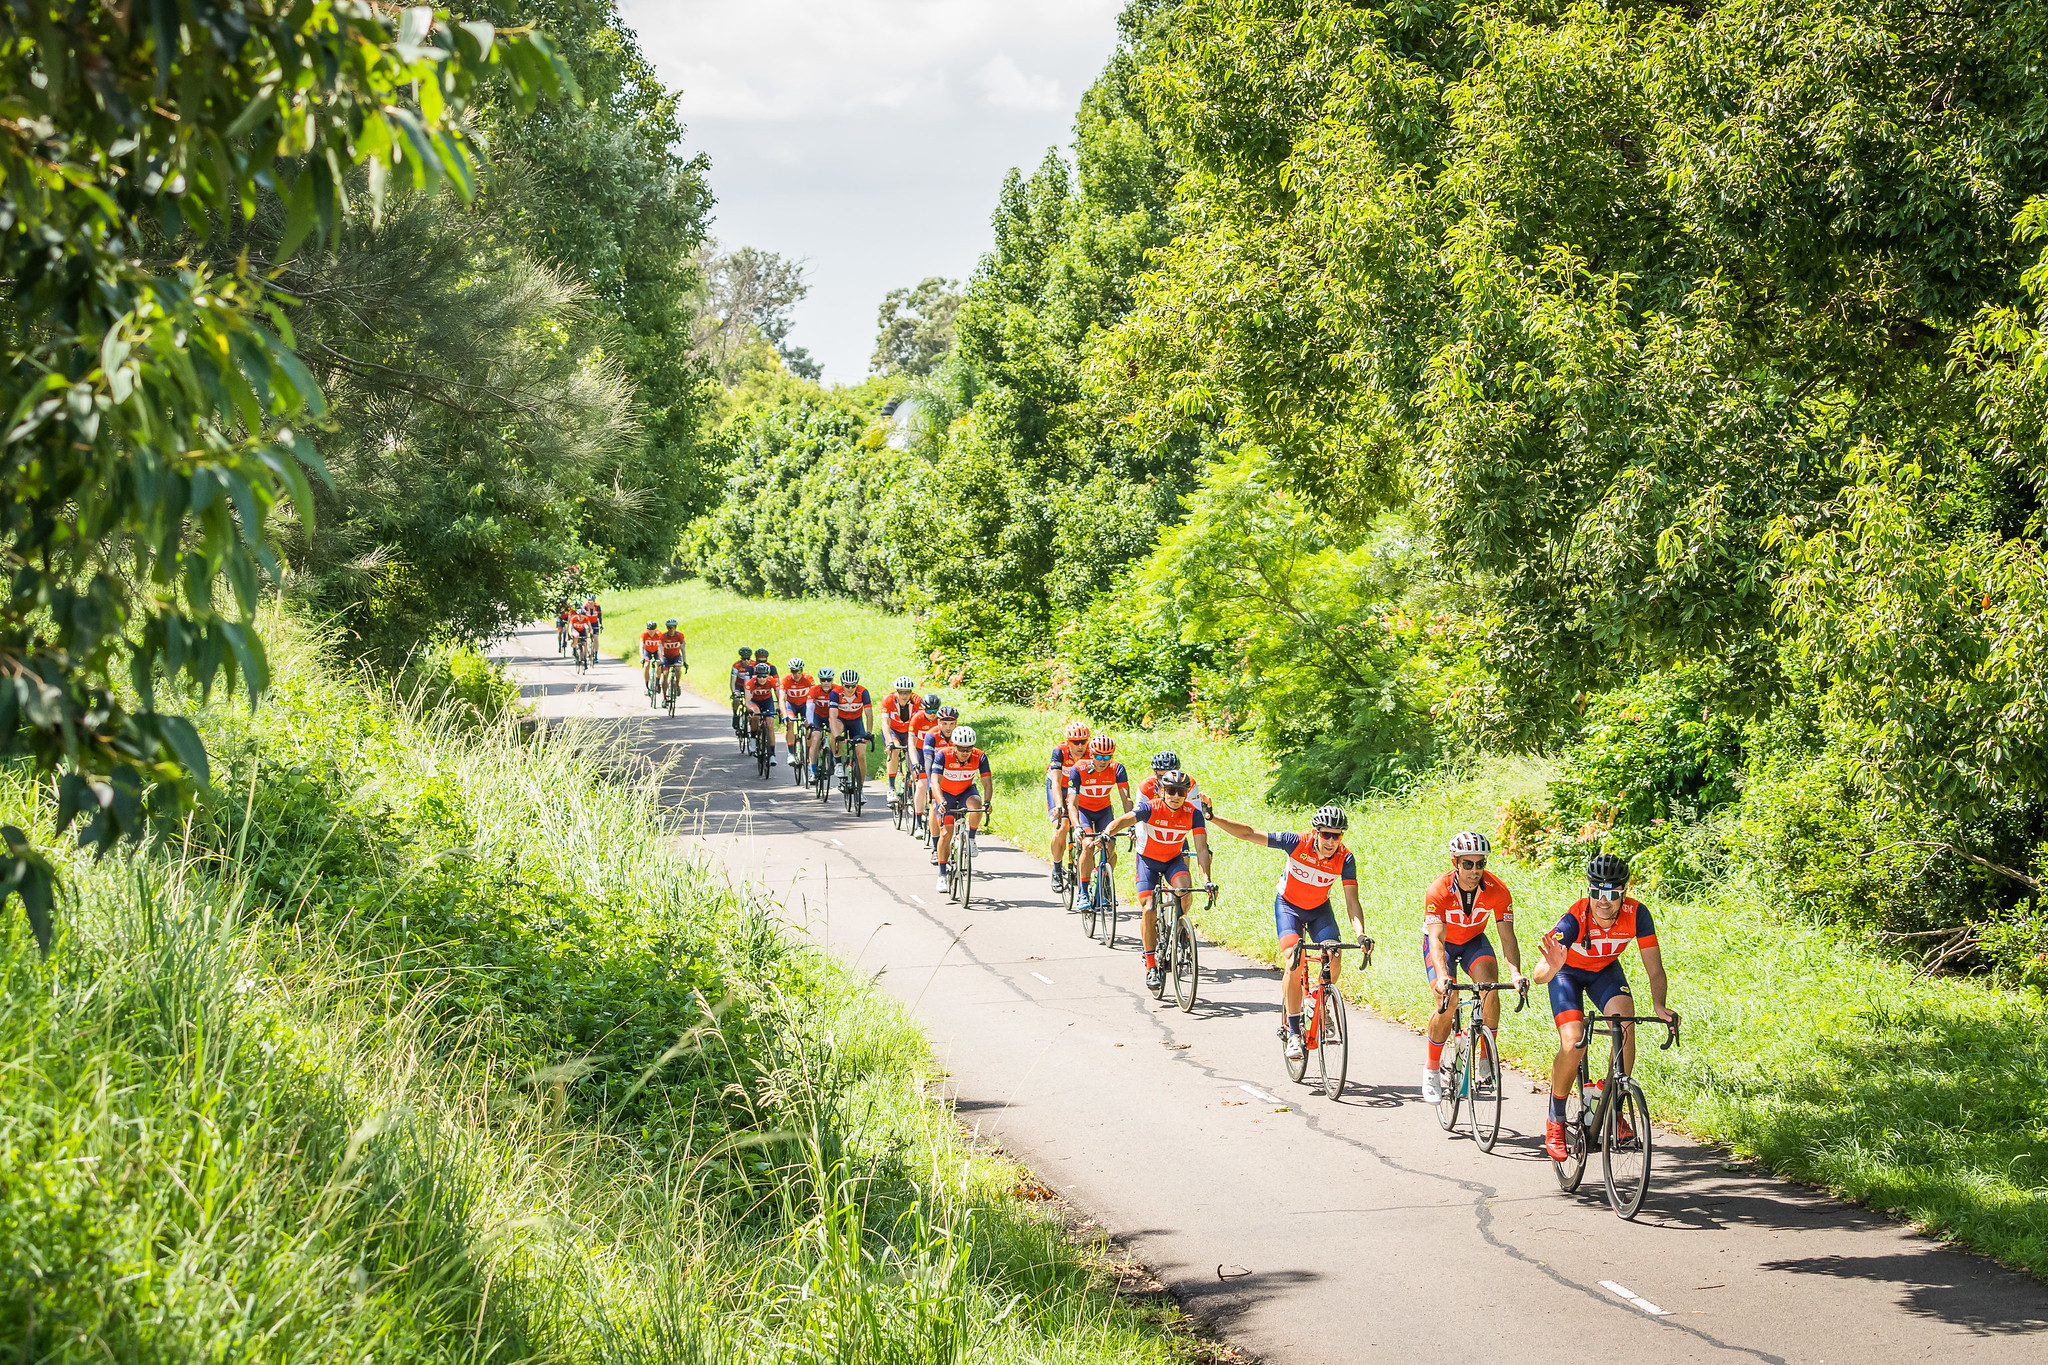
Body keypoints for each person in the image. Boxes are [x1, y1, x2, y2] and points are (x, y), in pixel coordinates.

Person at [1531, 853, 1677, 1162]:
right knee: (1574, 1043)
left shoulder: (1637, 915)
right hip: (1566, 975)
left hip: (1605, 972)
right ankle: (1556, 1119)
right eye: (1597, 891)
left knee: (1625, 1025)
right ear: (1589, 890)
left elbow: (1655, 969)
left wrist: (1660, 1005)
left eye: (1611, 893)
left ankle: (1612, 1106)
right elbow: (1539, 975)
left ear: (1624, 892)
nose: (1603, 900)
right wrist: (1553, 965)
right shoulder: (1574, 920)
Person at [1208, 804, 1370, 1061]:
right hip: (1289, 908)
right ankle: (1294, 1032)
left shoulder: (1345, 859)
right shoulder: (1296, 843)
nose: (1330, 841)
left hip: (1319, 910)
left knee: (1335, 955)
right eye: (1326, 834)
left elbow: (1352, 902)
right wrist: (1212, 818)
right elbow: (1250, 833)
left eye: (1336, 835)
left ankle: (1318, 1001)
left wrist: (1361, 934)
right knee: (1294, 962)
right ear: (1315, 832)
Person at [1421, 831, 1527, 1104]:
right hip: (1443, 944)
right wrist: (1443, 976)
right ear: (1455, 862)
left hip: (1473, 942)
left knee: (1490, 988)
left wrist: (1515, 973)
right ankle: (1432, 1069)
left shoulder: (1498, 890)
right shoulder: (1439, 890)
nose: (1475, 870)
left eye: (1481, 864)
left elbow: (1507, 937)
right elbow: (1436, 938)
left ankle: (1486, 1058)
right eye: (1468, 864)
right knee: (1449, 998)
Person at [1097, 770, 1214, 993]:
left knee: (1184, 890)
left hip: (1173, 861)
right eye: (1170, 791)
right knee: (1149, 907)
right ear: (1161, 791)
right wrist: (1106, 833)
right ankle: (1151, 964)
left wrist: (1207, 880)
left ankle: (1178, 928)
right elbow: (1123, 821)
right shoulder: (1150, 807)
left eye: (1181, 792)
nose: (1175, 796)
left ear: (1187, 793)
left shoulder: (1193, 813)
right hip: (1148, 863)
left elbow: (1200, 849)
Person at [1066, 735, 1132, 912]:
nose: (1103, 761)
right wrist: (1077, 827)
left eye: (1107, 757)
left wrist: (1132, 824)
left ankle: (1103, 881)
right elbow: (1072, 804)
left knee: (1109, 846)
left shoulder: (1117, 769)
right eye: (1099, 757)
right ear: (1092, 754)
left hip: (1104, 812)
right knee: (1087, 845)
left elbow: (1126, 799)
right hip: (1084, 813)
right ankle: (1084, 893)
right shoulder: (1078, 769)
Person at [931, 723, 992, 890]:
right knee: (946, 833)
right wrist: (941, 800)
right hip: (947, 794)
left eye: (969, 748)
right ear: (954, 746)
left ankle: (971, 838)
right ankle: (942, 874)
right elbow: (934, 781)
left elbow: (987, 783)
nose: (965, 752)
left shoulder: (980, 756)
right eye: (961, 748)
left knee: (976, 804)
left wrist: (987, 802)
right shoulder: (943, 755)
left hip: (966, 790)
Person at [1046, 720, 1093, 892]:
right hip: (1060, 787)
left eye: (1083, 741)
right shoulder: (1060, 751)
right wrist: (1059, 805)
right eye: (1075, 742)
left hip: (1078, 789)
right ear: (1068, 742)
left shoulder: (1091, 753)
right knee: (1063, 826)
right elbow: (1056, 782)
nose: (1080, 746)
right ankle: (1057, 869)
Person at [828, 667, 875, 793]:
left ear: (857, 685)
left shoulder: (863, 692)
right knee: (835, 728)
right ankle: (837, 761)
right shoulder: (835, 693)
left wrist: (869, 733)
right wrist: (837, 736)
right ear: (842, 684)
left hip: (856, 723)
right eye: (847, 686)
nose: (850, 689)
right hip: (841, 721)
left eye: (853, 686)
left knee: (861, 754)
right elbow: (832, 716)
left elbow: (869, 714)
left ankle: (860, 789)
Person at [881, 676, 924, 801]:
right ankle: (891, 788)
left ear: (911, 692)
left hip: (909, 732)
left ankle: (915, 793)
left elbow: (919, 723)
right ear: (896, 691)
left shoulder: (917, 701)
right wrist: (889, 741)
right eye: (901, 692)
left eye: (907, 692)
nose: (904, 696)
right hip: (894, 731)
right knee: (894, 750)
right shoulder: (888, 700)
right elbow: (885, 724)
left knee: (914, 760)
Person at [1139, 750, 1214, 813]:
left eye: (1171, 775)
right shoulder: (1146, 785)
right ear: (1155, 773)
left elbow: (1197, 812)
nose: (1166, 780)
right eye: (1161, 777)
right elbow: (1139, 813)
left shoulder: (1189, 783)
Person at [781, 658, 818, 771]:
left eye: (798, 671)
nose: (796, 674)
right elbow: (782, 699)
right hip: (791, 705)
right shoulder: (786, 680)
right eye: (793, 671)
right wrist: (784, 715)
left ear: (802, 670)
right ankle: (791, 753)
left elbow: (814, 696)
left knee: (810, 727)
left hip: (804, 705)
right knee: (790, 723)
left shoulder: (808, 678)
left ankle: (807, 750)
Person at [804, 667, 836, 777]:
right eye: (823, 680)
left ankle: (833, 760)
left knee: (835, 737)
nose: (826, 682)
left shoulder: (837, 690)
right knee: (816, 737)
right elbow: (809, 708)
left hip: (831, 717)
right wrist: (810, 723)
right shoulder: (814, 690)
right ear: (820, 680)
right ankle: (812, 770)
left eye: (828, 680)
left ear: (832, 680)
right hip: (817, 716)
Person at [745, 661, 780, 761]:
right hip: (755, 701)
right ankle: (753, 738)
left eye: (764, 676)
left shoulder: (772, 681)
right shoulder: (751, 682)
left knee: (770, 725)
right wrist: (749, 709)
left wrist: (779, 707)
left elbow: (779, 695)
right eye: (759, 676)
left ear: (767, 675)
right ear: (756, 675)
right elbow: (747, 701)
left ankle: (772, 754)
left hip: (767, 702)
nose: (761, 679)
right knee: (755, 715)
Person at [657, 618, 686, 696]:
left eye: (672, 627)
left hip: (676, 656)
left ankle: (677, 685)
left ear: (675, 627)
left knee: (677, 668)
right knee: (665, 674)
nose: (670, 629)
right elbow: (660, 650)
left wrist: (685, 661)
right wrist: (661, 660)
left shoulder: (680, 635)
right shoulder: (663, 636)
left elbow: (683, 649)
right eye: (669, 628)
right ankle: (664, 697)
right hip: (666, 657)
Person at [638, 620, 663, 691]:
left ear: (655, 629)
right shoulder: (644, 634)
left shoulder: (659, 634)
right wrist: (642, 657)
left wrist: (661, 657)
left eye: (652, 630)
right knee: (646, 665)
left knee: (659, 665)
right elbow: (641, 646)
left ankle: (657, 682)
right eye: (649, 630)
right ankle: (646, 686)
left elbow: (661, 647)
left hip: (656, 651)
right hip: (647, 651)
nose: (651, 632)